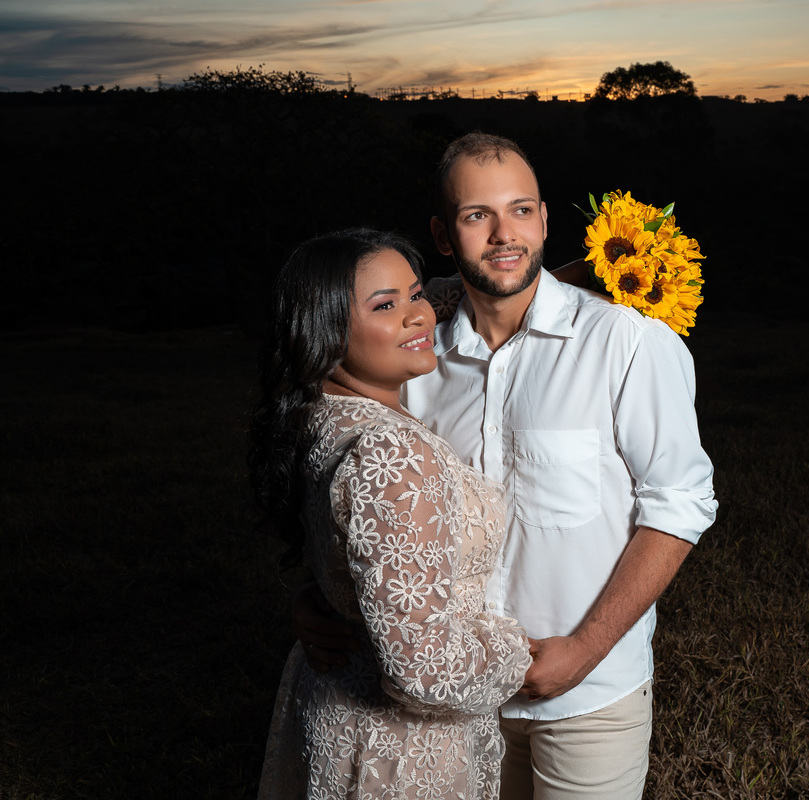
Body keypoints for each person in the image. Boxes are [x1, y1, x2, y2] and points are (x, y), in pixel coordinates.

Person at [294, 133, 718, 799]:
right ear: (442, 233)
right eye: (476, 216)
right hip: (447, 709)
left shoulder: (625, 338)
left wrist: (583, 652)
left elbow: (681, 503)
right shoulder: (415, 353)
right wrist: (321, 594)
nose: (503, 235)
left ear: (546, 219)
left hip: (589, 694)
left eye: (520, 211)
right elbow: (353, 487)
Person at [250, 228, 533, 800]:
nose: (417, 315)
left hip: (338, 713)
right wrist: (521, 657)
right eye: (386, 305)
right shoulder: (394, 452)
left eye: (415, 293)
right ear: (324, 329)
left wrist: (565, 276)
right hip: (402, 752)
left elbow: (435, 299)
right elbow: (423, 669)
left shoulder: (319, 413)